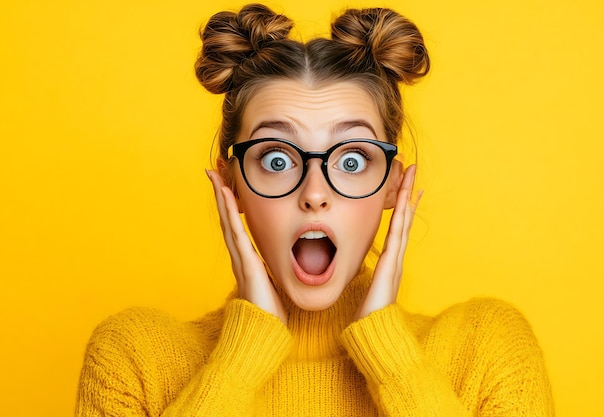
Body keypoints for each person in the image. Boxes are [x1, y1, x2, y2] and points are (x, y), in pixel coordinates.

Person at [75, 3, 554, 416]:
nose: (315, 192)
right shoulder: (135, 357)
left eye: (351, 159)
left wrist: (393, 360)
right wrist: (241, 358)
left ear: (393, 184)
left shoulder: (485, 349)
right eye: (277, 159)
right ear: (231, 184)